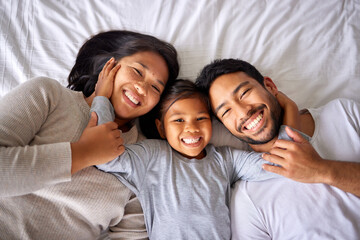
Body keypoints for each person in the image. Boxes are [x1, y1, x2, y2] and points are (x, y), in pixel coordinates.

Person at [0, 30, 179, 239]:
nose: (142, 87)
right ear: (108, 66)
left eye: (156, 87)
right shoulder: (48, 95)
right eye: (137, 72)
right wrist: (83, 152)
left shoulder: (144, 156)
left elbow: (131, 234)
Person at [91, 77, 304, 239]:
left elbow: (280, 162)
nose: (191, 128)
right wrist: (101, 98)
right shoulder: (152, 155)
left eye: (201, 118)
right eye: (179, 120)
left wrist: (290, 111)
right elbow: (104, 155)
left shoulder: (225, 159)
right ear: (161, 128)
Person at [195, 58, 360, 239]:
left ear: (270, 86)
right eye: (226, 112)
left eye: (244, 93)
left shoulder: (344, 113)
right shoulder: (247, 200)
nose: (243, 112)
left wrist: (322, 170)